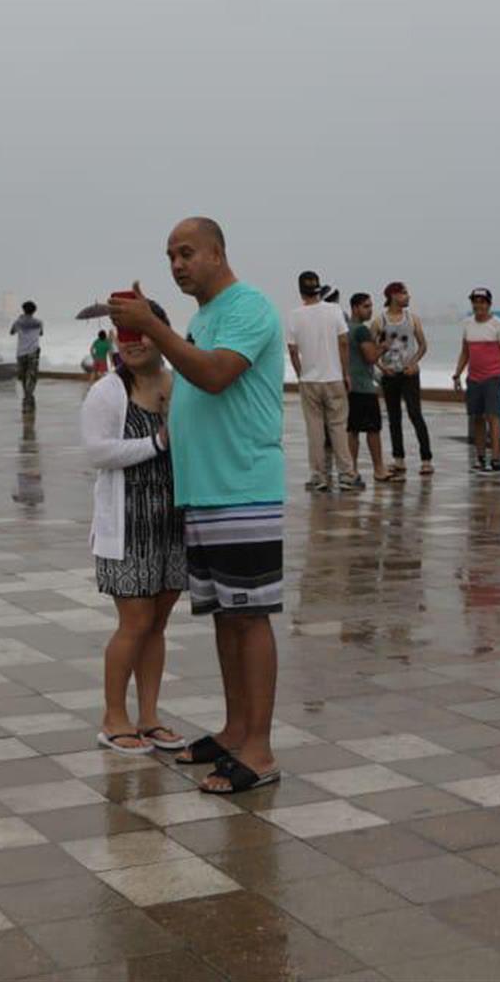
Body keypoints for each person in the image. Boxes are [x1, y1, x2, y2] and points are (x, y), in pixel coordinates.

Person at [109, 217, 285, 795]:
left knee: (250, 616)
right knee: (225, 617)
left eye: (187, 253)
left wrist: (154, 329)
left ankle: (258, 749)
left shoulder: (248, 307)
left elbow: (213, 376)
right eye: (169, 257)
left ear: (217, 252)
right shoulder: (204, 317)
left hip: (242, 486)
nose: (177, 264)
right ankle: (235, 730)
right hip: (205, 490)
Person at [81, 299, 186, 756]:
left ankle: (149, 717)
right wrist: (156, 442)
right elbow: (98, 452)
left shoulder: (179, 382)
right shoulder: (109, 391)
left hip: (172, 521)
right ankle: (113, 717)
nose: (134, 342)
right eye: (125, 335)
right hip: (127, 523)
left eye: (143, 331)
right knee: (135, 621)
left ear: (162, 331)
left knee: (158, 623)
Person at [285, 270, 358, 492]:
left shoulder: (294, 315)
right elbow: (344, 343)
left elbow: (292, 350)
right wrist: (346, 372)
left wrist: (300, 374)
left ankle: (319, 477)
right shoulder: (334, 311)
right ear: (319, 288)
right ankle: (346, 474)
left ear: (300, 291)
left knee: (315, 429)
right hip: (334, 377)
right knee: (338, 427)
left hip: (309, 379)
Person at [453, 288, 500, 474]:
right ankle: (480, 457)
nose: (478, 305)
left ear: (489, 304)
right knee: (477, 418)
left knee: (493, 417)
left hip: (493, 377)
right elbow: (465, 352)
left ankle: (495, 458)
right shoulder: (468, 324)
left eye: (482, 301)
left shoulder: (498, 325)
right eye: (475, 301)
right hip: (474, 378)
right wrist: (457, 374)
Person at [375, 281, 432, 474]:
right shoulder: (380, 320)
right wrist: (381, 367)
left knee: (415, 414)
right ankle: (398, 459)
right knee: (394, 418)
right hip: (390, 376)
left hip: (409, 375)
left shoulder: (412, 318)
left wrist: (414, 363)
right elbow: (370, 349)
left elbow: (423, 345)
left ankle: (426, 459)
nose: (408, 297)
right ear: (393, 296)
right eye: (404, 293)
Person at [346, 293, 389, 482]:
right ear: (355, 308)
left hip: (348, 385)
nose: (370, 310)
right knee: (373, 430)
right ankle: (379, 469)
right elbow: (370, 357)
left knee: (352, 429)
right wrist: (383, 347)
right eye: (365, 306)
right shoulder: (362, 330)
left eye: (371, 306)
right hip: (364, 386)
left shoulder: (344, 328)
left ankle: (351, 469)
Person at [10, 301, 44, 408]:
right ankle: (29, 394)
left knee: (23, 375)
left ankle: (26, 394)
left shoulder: (18, 322)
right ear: (34, 311)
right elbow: (41, 333)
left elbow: (11, 332)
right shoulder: (39, 322)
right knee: (32, 375)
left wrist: (20, 319)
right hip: (33, 352)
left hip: (21, 353)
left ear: (23, 309)